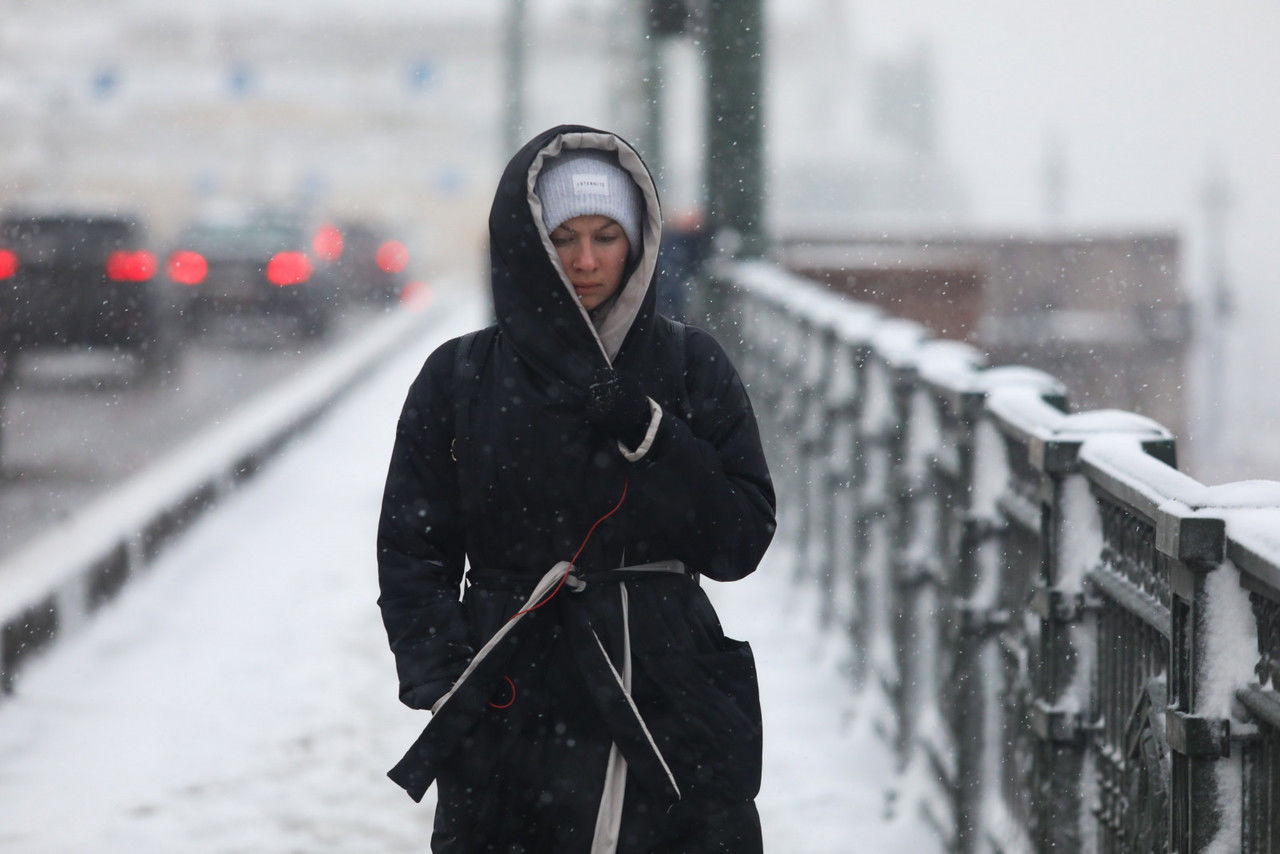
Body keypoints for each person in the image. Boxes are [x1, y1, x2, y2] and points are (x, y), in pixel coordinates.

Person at [376, 124, 776, 853]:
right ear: (528, 243)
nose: (586, 260)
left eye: (605, 236)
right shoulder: (459, 377)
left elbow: (741, 539)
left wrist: (651, 435)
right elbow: (413, 551)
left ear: (639, 241)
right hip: (513, 705)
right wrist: (444, 681)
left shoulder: (691, 367)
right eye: (563, 237)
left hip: (669, 701)